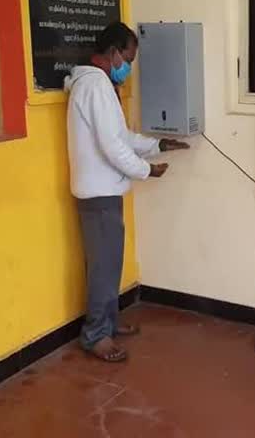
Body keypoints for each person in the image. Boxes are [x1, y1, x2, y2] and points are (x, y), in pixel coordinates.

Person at [65, 21, 189, 363]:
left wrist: (158, 145)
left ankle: (109, 323)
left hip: (104, 192)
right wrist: (146, 170)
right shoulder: (93, 87)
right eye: (129, 59)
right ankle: (95, 335)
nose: (129, 68)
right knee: (103, 268)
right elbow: (111, 147)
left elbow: (123, 138)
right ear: (114, 52)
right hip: (98, 194)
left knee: (109, 265)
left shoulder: (100, 86)